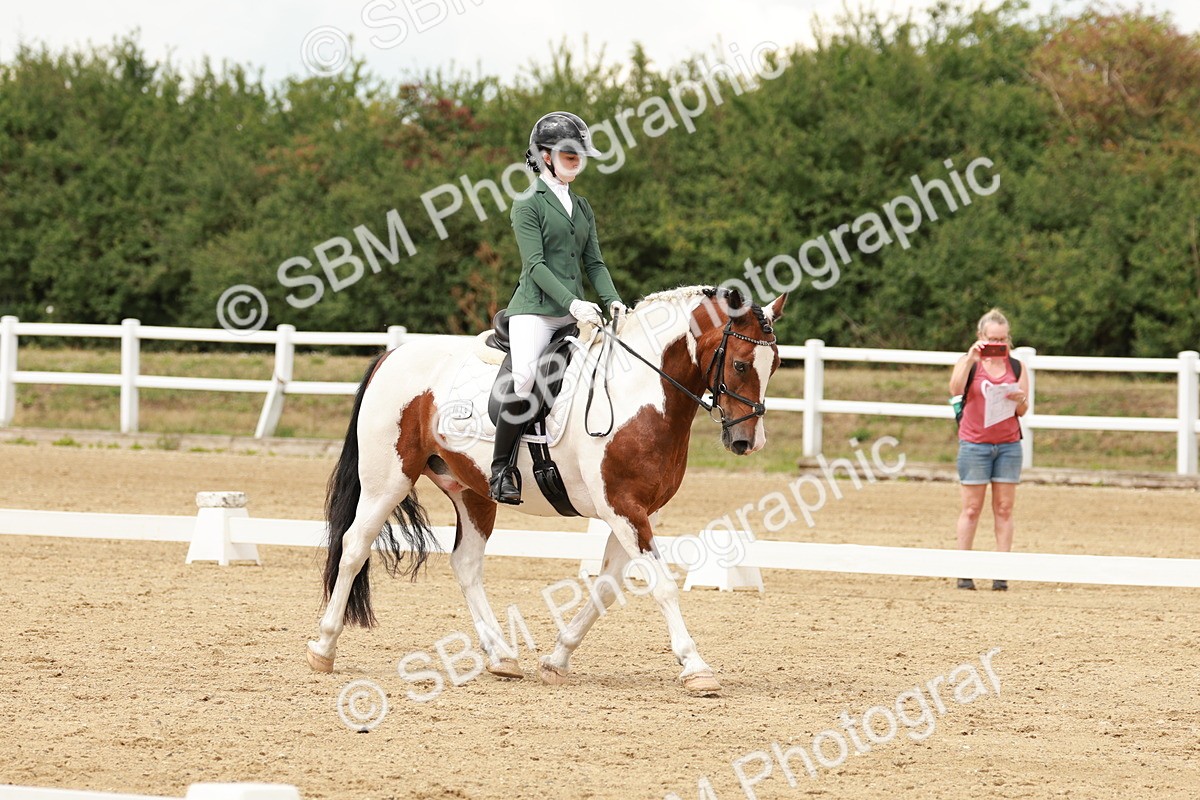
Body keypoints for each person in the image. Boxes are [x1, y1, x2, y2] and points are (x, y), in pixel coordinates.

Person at [488, 111, 627, 505]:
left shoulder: (581, 206)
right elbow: (535, 266)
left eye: (580, 156)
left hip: (575, 312)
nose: (577, 162)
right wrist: (573, 303)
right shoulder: (527, 203)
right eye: (569, 155)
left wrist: (613, 300)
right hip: (535, 311)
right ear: (545, 156)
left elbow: (594, 263)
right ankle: (502, 470)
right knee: (525, 380)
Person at [948, 308, 1030, 591]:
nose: (998, 344)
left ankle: (1000, 572)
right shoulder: (969, 363)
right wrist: (971, 358)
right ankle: (964, 570)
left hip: (1008, 444)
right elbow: (955, 390)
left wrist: (1019, 399)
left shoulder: (1016, 366)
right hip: (975, 443)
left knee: (1004, 508)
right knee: (971, 509)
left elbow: (1023, 410)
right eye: (992, 339)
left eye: (1002, 339)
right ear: (980, 336)